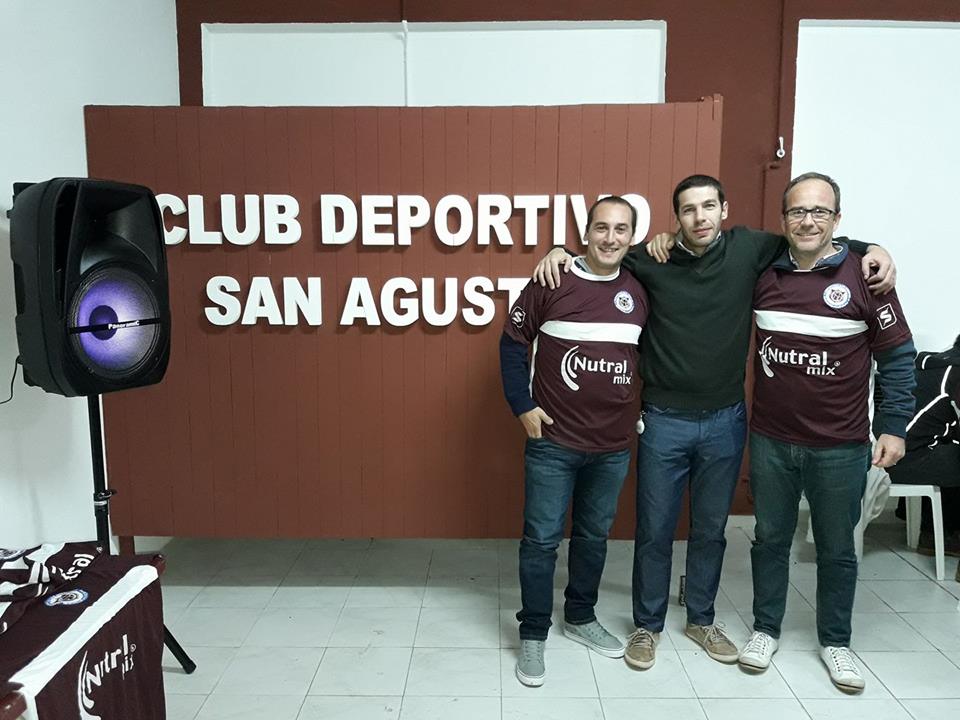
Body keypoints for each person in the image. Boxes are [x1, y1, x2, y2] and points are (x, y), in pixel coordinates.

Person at [532, 176, 897, 670]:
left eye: (708, 206)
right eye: (688, 209)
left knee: (710, 530)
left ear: (724, 209)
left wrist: (870, 248)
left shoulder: (751, 249)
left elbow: (812, 235)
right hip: (663, 419)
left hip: (726, 421)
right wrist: (557, 250)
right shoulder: (651, 258)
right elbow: (599, 255)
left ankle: (701, 618)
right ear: (676, 218)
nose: (700, 217)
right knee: (654, 530)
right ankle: (647, 626)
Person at [737, 172, 915, 692]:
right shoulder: (763, 272)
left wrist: (893, 427)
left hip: (840, 445)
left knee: (838, 548)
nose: (808, 221)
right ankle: (765, 629)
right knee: (769, 539)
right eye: (798, 211)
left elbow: (898, 358)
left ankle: (836, 641)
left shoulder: (866, 276)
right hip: (770, 439)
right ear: (783, 218)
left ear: (837, 218)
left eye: (820, 211)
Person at [500, 196, 650, 686]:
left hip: (612, 446)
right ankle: (534, 633)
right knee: (541, 540)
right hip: (553, 441)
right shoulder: (552, 279)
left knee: (592, 537)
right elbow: (512, 343)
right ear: (586, 233)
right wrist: (522, 405)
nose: (610, 237)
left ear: (632, 237)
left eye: (621, 229)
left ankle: (581, 617)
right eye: (601, 227)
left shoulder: (640, 287)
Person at [886, 334, 960, 558]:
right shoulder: (956, 373)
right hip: (903, 459)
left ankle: (931, 533)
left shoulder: (937, 363)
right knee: (952, 451)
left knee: (944, 442)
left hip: (887, 452)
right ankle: (944, 536)